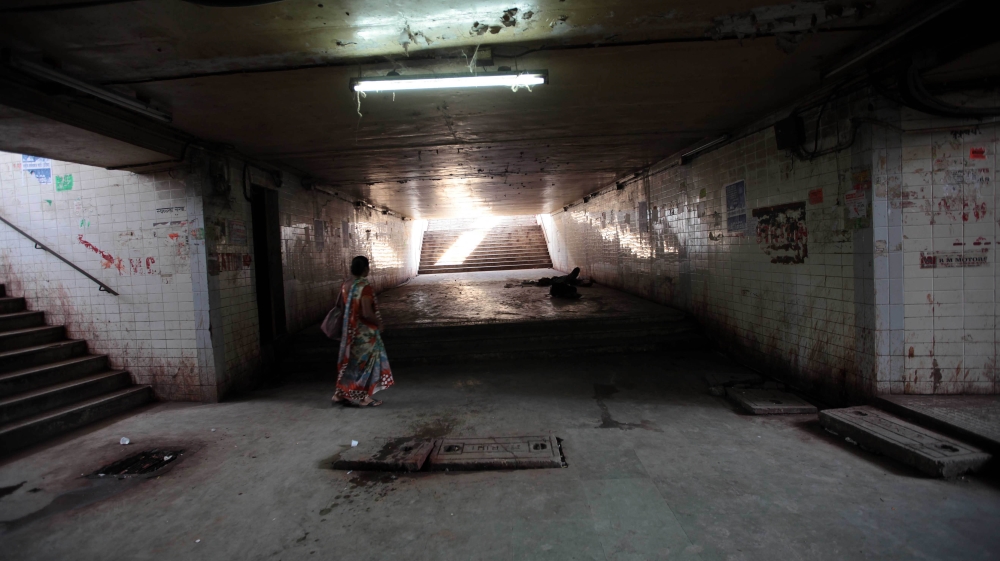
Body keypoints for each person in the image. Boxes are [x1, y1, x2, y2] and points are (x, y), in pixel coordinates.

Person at [331, 256, 394, 407]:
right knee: (366, 364)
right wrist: (378, 323)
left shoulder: (345, 285)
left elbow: (341, 306)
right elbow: (366, 312)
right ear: (365, 269)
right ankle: (364, 398)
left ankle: (339, 395)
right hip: (365, 334)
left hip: (350, 332)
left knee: (350, 363)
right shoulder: (364, 287)